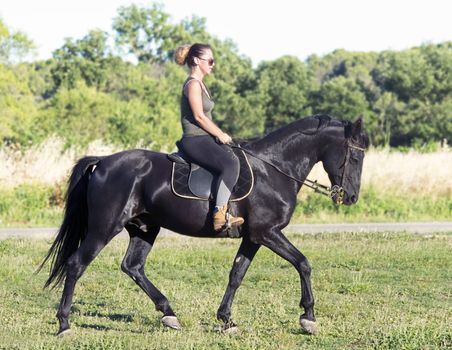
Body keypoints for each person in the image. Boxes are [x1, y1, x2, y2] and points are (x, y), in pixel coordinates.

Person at [174, 43, 244, 231]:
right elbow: (198, 116)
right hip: (195, 139)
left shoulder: (201, 84)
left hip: (204, 138)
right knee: (231, 164)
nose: (213, 64)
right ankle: (219, 215)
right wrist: (220, 134)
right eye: (210, 60)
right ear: (197, 60)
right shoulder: (192, 84)